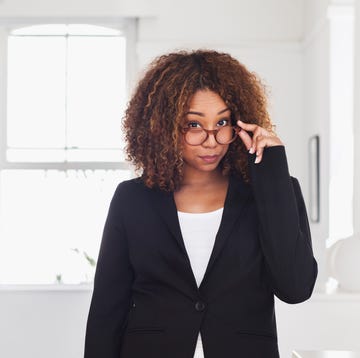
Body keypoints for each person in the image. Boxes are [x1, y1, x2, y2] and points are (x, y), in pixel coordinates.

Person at [84, 49, 318, 358]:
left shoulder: (275, 192)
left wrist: (272, 167)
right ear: (164, 128)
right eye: (194, 125)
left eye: (222, 122)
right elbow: (106, 311)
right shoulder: (132, 199)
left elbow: (295, 288)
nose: (211, 139)